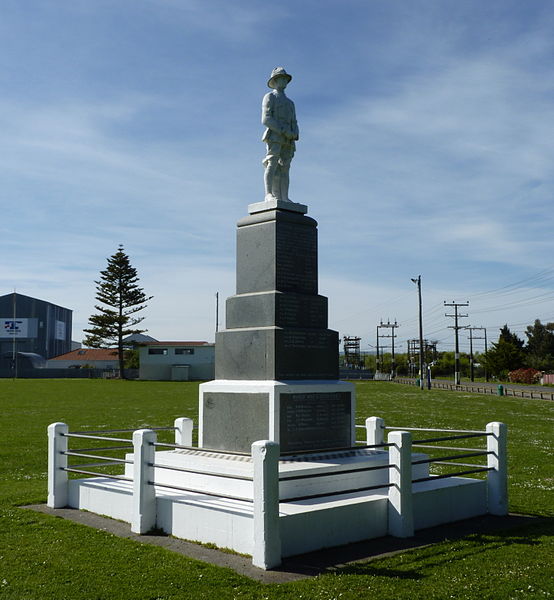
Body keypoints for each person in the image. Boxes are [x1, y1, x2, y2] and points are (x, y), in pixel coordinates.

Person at [261, 67, 299, 202]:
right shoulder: (269, 97)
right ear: (275, 81)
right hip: (275, 135)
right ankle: (268, 194)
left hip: (288, 139)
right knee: (272, 163)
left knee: (285, 167)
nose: (283, 81)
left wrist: (294, 134)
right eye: (280, 78)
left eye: (285, 79)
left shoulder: (290, 103)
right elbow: (266, 118)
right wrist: (283, 130)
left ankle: (284, 197)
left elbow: (294, 121)